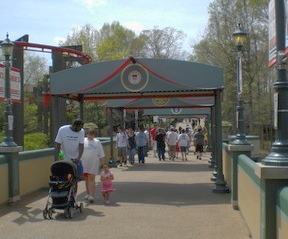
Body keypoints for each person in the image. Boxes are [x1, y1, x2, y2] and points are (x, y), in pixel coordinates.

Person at [55, 119, 85, 196]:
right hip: (65, 158)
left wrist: (78, 157)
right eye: (79, 128)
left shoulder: (81, 131)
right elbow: (58, 144)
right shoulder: (63, 130)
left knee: (75, 179)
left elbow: (81, 145)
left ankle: (74, 196)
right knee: (64, 178)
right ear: (74, 126)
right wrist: (59, 156)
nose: (80, 130)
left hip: (75, 159)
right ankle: (64, 193)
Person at [81, 128, 105, 203]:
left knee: (91, 178)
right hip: (84, 163)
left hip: (93, 163)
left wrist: (103, 164)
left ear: (94, 135)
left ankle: (91, 195)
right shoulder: (83, 141)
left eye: (92, 135)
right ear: (86, 134)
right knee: (86, 178)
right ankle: (88, 193)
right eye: (89, 134)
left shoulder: (97, 142)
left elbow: (101, 153)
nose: (90, 136)